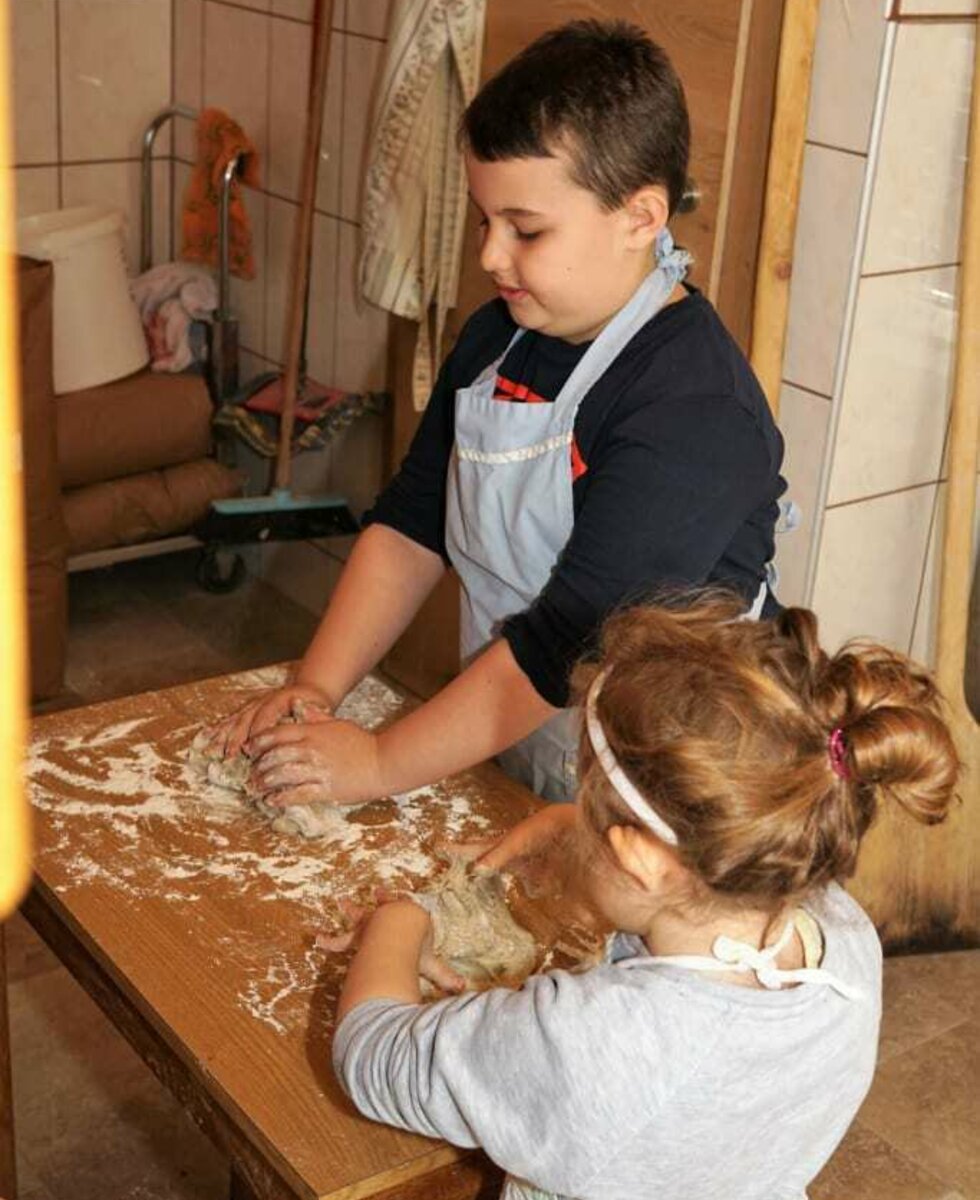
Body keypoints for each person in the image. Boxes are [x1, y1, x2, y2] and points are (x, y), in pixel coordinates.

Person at [210, 20, 786, 809]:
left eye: (527, 229)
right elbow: (415, 522)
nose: (488, 255)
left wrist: (378, 764)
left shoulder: (693, 410)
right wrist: (318, 683)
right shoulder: (498, 339)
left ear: (641, 218)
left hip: (686, 794)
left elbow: (570, 643)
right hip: (527, 734)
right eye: (486, 220)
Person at [331, 598, 960, 1200]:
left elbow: (369, 1055)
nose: (577, 817)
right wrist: (574, 832)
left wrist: (399, 919)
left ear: (645, 860)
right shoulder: (847, 941)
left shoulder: (589, 1046)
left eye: (586, 804)